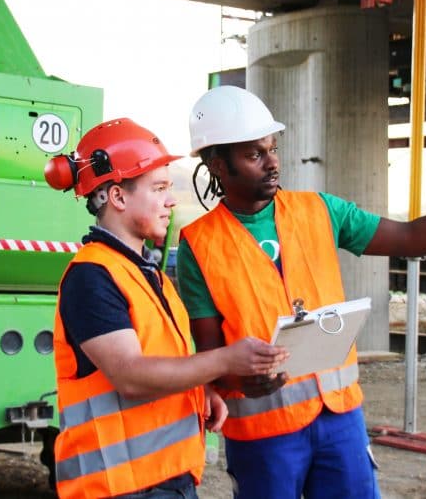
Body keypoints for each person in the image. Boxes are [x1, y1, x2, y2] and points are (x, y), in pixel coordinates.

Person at [177, 85, 426, 499]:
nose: (272, 163)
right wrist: (242, 381)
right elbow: (209, 358)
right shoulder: (199, 245)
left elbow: (412, 239)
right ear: (216, 164)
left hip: (340, 420)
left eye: (273, 148)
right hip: (263, 435)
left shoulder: (320, 211)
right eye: (254, 154)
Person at [44, 117, 288, 499]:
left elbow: (162, 361)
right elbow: (131, 375)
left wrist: (200, 390)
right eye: (159, 188)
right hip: (119, 488)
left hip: (164, 481)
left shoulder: (147, 275)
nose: (171, 200)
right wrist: (226, 361)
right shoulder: (91, 276)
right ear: (118, 197)